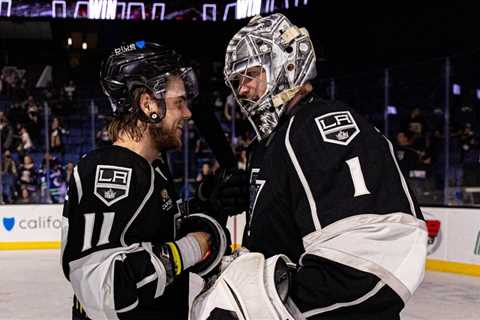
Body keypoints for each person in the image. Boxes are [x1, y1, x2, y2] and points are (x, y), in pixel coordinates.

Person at [198, 14, 428, 320]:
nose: (242, 90)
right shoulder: (272, 141)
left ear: (288, 64)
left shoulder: (322, 125)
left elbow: (372, 262)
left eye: (250, 75)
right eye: (237, 82)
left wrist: (275, 308)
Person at [61, 41, 228, 320]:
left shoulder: (152, 168)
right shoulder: (111, 169)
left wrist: (201, 207)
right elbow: (102, 290)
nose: (187, 114)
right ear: (148, 104)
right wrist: (191, 247)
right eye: (179, 103)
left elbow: (145, 235)